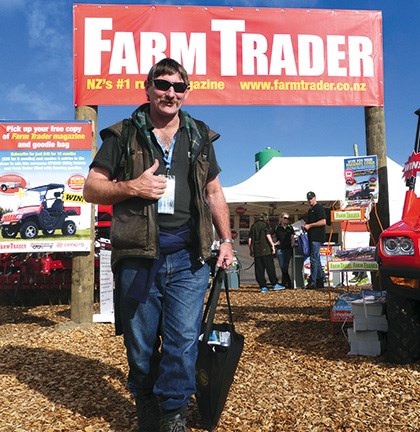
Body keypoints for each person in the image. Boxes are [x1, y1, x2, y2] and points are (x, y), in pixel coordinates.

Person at [83, 58, 233, 432]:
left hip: (189, 257)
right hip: (137, 255)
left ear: (186, 92)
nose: (170, 93)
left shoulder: (198, 135)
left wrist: (227, 240)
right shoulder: (123, 135)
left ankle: (173, 413)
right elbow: (90, 187)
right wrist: (131, 187)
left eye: (178, 87)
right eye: (163, 85)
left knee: (183, 341)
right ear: (147, 88)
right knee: (141, 345)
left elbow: (214, 191)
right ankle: (145, 399)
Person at [248, 212, 285, 292]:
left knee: (259, 269)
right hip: (266, 250)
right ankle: (275, 284)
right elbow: (267, 235)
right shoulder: (265, 225)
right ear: (265, 218)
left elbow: (250, 239)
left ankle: (263, 286)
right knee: (270, 268)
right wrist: (272, 245)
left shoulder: (253, 226)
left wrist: (250, 249)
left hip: (257, 250)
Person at [303, 191, 326, 289]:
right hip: (312, 237)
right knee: (317, 259)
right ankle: (321, 280)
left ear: (315, 198)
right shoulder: (310, 210)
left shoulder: (319, 208)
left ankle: (313, 281)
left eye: (311, 198)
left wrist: (310, 225)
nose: (310, 200)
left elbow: (323, 221)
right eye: (308, 199)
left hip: (317, 237)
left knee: (313, 259)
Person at [274, 212, 295, 288]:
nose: (286, 220)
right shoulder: (277, 227)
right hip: (280, 249)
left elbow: (292, 236)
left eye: (288, 218)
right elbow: (270, 235)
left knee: (286, 266)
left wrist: (292, 243)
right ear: (281, 219)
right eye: (285, 218)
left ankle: (284, 282)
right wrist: (274, 243)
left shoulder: (290, 227)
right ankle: (288, 282)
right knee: (283, 266)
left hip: (288, 248)